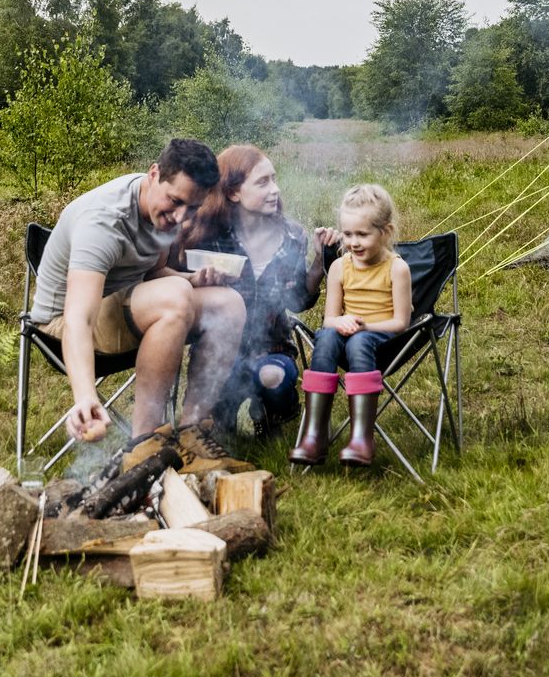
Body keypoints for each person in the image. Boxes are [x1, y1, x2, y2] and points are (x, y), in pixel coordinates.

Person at [28, 137, 247, 470]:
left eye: (191, 208)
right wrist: (85, 397)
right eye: (175, 202)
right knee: (174, 298)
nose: (180, 217)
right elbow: (77, 319)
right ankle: (144, 446)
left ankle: (191, 435)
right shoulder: (104, 222)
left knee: (228, 304)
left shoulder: (168, 212)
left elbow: (157, 272)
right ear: (154, 173)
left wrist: (193, 280)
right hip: (63, 324)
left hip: (127, 305)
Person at [173, 143, 341, 437]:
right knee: (218, 432)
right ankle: (220, 418)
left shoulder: (292, 235)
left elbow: (299, 300)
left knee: (272, 375)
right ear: (233, 192)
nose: (275, 189)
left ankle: (273, 411)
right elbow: (177, 287)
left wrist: (318, 263)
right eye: (263, 182)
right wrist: (198, 281)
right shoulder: (207, 237)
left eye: (274, 179)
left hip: (273, 349)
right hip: (219, 353)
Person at [291, 184, 413, 467]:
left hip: (382, 338)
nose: (354, 242)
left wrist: (363, 325)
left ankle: (362, 438)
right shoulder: (339, 267)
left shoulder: (397, 269)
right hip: (345, 334)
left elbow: (401, 322)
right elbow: (330, 319)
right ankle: (314, 435)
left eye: (363, 234)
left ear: (385, 232)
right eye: (348, 234)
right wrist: (342, 321)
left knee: (358, 340)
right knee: (326, 336)